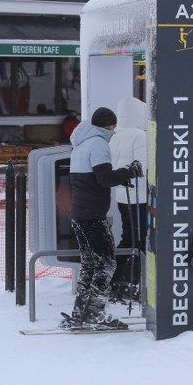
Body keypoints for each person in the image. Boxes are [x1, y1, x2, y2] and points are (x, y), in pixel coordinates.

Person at [62, 107, 142, 330]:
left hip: (80, 214)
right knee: (106, 263)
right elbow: (104, 178)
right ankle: (95, 313)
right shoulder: (98, 143)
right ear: (107, 126)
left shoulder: (80, 144)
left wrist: (118, 178)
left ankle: (81, 311)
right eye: (113, 127)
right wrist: (129, 171)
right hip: (93, 215)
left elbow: (94, 179)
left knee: (90, 264)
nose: (114, 131)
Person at [109, 97, 148, 301]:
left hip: (122, 196)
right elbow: (143, 167)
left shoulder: (116, 136)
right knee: (140, 239)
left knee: (127, 236)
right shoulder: (140, 136)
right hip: (139, 196)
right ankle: (131, 280)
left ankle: (116, 278)